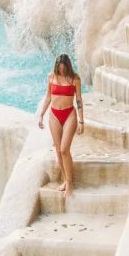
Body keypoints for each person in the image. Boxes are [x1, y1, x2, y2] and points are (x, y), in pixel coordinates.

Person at [38, 53, 84, 197]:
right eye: (59, 68)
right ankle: (65, 179)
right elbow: (48, 97)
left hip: (69, 114)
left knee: (65, 149)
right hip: (54, 116)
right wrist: (41, 115)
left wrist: (81, 120)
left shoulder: (75, 79)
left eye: (64, 68)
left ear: (68, 66)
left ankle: (70, 183)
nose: (61, 70)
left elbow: (79, 100)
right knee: (58, 150)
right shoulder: (51, 77)